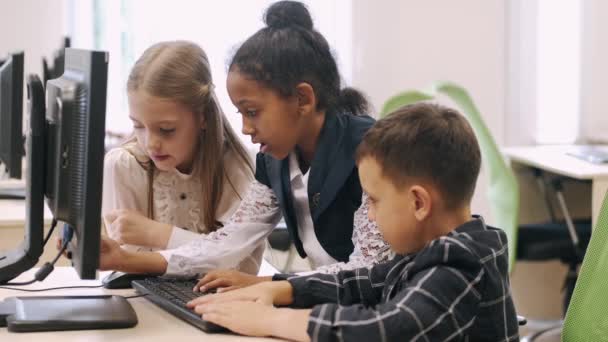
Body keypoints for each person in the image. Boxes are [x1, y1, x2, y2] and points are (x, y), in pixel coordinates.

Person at [99, 0, 390, 278]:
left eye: (252, 112)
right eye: (240, 113)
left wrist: (272, 286)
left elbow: (368, 270)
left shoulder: (372, 152)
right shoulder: (275, 160)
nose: (245, 128)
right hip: (333, 303)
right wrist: (125, 259)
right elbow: (228, 243)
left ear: (302, 99)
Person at [188, 103, 519, 341]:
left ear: (418, 202)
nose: (369, 214)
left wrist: (271, 319)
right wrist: (278, 288)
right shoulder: (436, 250)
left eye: (373, 200)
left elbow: (385, 328)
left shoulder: (460, 267)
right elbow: (364, 282)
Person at [99, 40, 261, 274]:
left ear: (203, 117)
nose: (150, 143)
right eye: (138, 126)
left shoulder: (234, 166)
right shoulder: (122, 166)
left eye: (166, 129)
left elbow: (244, 266)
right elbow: (125, 267)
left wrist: (159, 235)